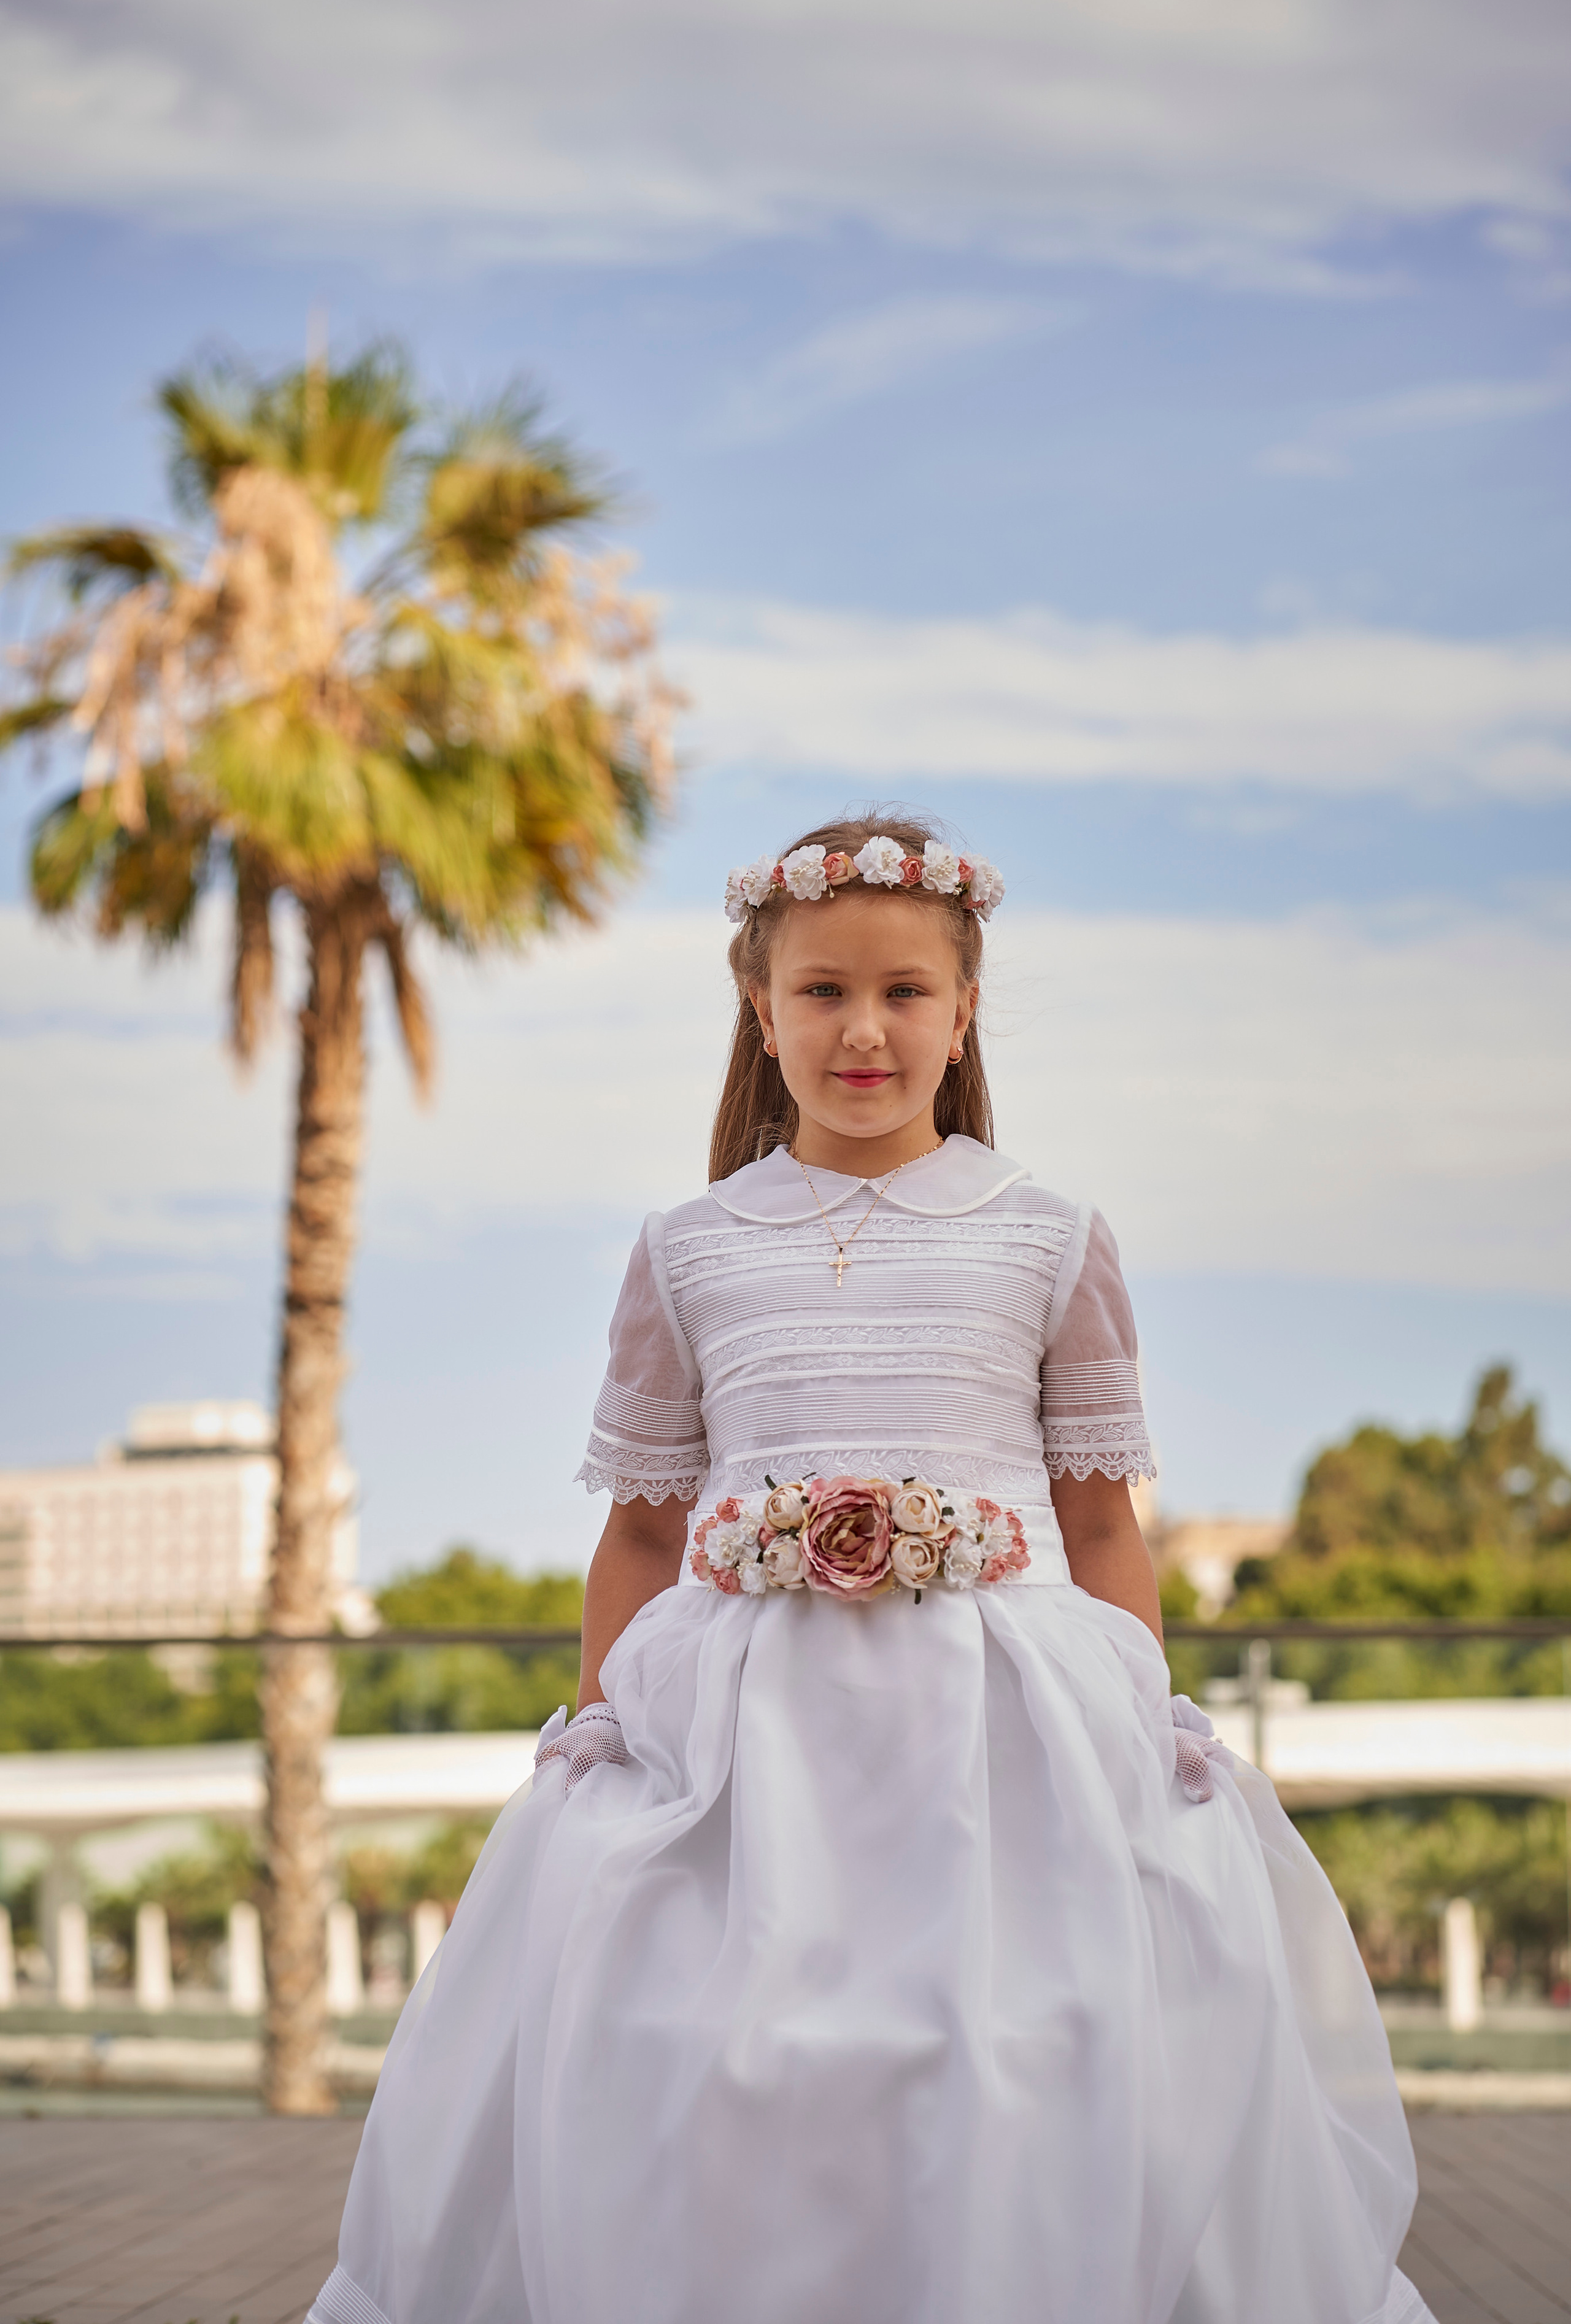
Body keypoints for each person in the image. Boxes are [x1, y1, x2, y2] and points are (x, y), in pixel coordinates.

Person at [309, 812, 1434, 2324]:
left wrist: (1145, 1713)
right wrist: (591, 1726)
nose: (862, 1028)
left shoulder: (1046, 1234)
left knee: (1009, 2045)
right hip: (739, 1737)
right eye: (822, 991)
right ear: (760, 1015)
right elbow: (644, 1529)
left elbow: (1098, 1523)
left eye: (904, 993)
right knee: (722, 2048)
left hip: (1003, 1726)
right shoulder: (690, 1248)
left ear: (961, 1013)